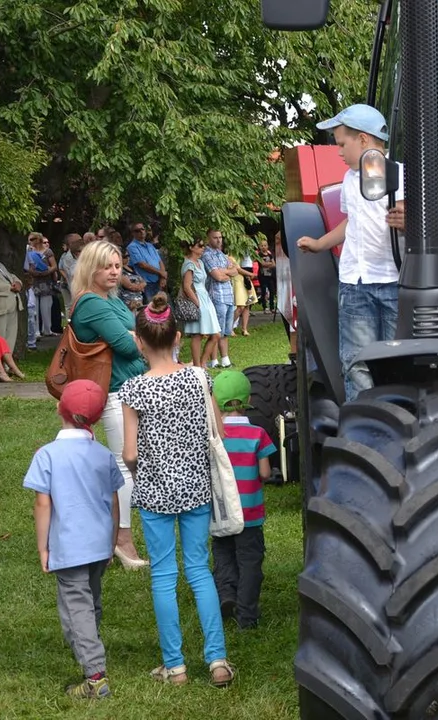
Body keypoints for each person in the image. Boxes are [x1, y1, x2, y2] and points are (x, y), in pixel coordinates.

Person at [119, 293, 235, 688]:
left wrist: (144, 470)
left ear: (137, 341)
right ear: (179, 338)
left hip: (154, 494)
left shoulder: (133, 390)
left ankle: (176, 666)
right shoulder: (200, 377)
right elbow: (217, 431)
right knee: (200, 571)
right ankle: (218, 660)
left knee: (164, 576)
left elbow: (129, 453)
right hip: (197, 489)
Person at [297, 103, 405, 401]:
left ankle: (395, 417)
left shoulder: (400, 175)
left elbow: (417, 220)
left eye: (342, 144)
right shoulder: (349, 180)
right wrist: (321, 244)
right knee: (357, 362)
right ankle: (362, 424)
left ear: (364, 140)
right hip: (355, 284)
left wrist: (408, 221)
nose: (339, 152)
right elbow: (351, 222)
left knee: (395, 360)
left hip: (394, 281)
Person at [23, 379, 123, 699]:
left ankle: (95, 676)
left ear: (58, 408)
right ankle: (86, 644)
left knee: (76, 607)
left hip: (69, 547)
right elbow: (114, 502)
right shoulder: (104, 454)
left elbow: (42, 503)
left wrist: (42, 547)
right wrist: (112, 542)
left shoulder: (47, 455)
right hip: (98, 545)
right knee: (90, 601)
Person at [68, 240, 149, 569]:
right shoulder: (91, 304)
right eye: (107, 266)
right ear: (91, 267)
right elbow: (129, 346)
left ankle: (113, 533)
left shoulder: (110, 300)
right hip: (116, 391)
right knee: (125, 463)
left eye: (117, 265)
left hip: (130, 387)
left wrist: (135, 336)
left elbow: (139, 332)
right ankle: (122, 540)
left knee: (129, 462)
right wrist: (137, 338)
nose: (115, 271)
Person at [211, 370, 276, 630]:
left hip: (222, 512)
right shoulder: (258, 434)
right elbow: (264, 473)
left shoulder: (214, 437)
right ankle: (247, 615)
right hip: (249, 515)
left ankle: (226, 594)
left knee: (224, 556)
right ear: (248, 398)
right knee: (250, 562)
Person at [180, 237, 221, 367]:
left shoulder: (200, 263)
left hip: (205, 297)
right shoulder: (188, 264)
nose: (203, 248)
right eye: (200, 245)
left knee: (216, 334)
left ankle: (202, 362)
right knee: (197, 334)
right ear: (192, 247)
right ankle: (198, 365)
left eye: (203, 245)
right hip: (197, 297)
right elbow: (187, 286)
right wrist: (198, 303)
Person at [201, 229, 238, 369]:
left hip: (228, 295)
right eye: (215, 237)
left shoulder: (222, 254)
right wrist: (226, 272)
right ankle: (214, 360)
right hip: (216, 296)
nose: (219, 240)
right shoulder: (206, 255)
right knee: (216, 331)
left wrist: (225, 272)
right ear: (208, 239)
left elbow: (234, 269)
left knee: (226, 331)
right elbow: (217, 276)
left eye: (220, 237)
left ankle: (225, 359)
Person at [0, 236, 25, 353]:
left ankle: (6, 366)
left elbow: (12, 276)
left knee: (10, 338)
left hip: (12, 305)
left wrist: (18, 283)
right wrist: (9, 287)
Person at [126, 221, 166, 302]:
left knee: (163, 309)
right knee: (150, 309)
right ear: (132, 233)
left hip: (158, 282)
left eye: (142, 229)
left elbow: (160, 261)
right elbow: (142, 265)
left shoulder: (150, 245)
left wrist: (163, 277)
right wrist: (161, 273)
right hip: (147, 284)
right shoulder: (132, 247)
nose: (141, 232)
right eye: (137, 230)